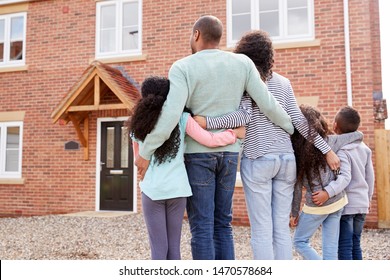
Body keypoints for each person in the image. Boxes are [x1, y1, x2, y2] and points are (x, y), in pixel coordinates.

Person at [135, 15, 294, 260]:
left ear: (196, 34)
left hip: (197, 157)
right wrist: (290, 128)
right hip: (230, 154)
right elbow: (268, 104)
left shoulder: (183, 67)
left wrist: (145, 153)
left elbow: (170, 116)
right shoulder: (242, 63)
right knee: (223, 224)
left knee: (202, 226)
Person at [194, 30, 340, 260]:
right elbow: (299, 121)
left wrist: (207, 122)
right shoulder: (284, 83)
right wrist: (327, 149)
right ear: (268, 56)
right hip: (286, 160)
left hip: (258, 157)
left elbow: (242, 117)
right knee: (281, 229)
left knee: (262, 230)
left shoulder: (246, 80)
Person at [128, 76, 244, 260]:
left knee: (158, 249)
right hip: (178, 191)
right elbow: (210, 140)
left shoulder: (137, 126)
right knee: (174, 249)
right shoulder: (182, 119)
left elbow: (139, 161)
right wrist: (234, 134)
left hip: (152, 191)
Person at [290, 104, 363, 260]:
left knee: (299, 241)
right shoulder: (331, 142)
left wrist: (294, 212)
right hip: (338, 201)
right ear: (319, 123)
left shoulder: (296, 153)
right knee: (330, 248)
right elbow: (358, 135)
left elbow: (296, 186)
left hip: (318, 204)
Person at [335, 106, 375, 260]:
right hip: (362, 204)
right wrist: (369, 199)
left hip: (347, 205)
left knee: (344, 244)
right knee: (356, 242)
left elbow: (344, 178)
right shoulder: (365, 149)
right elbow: (370, 177)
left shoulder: (342, 150)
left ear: (336, 127)